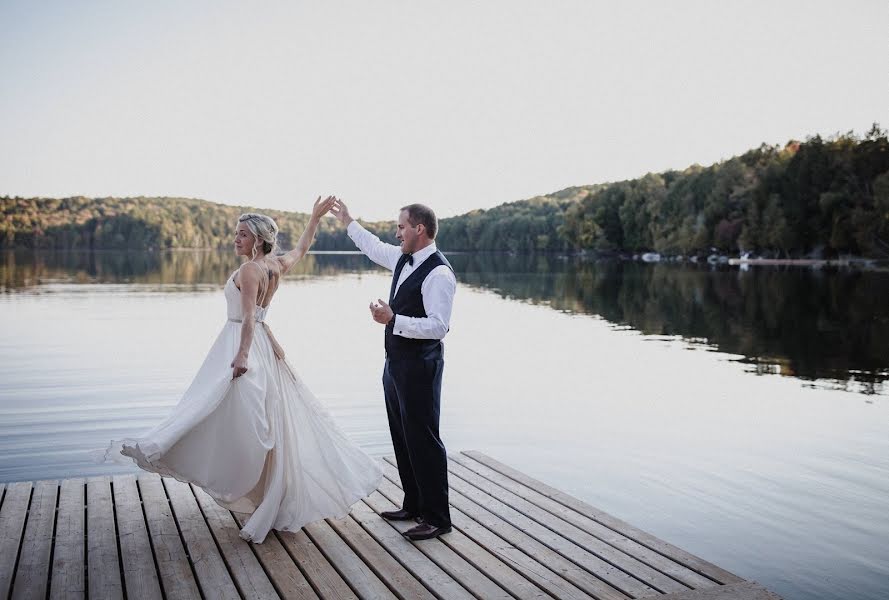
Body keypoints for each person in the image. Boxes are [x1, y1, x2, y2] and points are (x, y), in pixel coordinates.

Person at [100, 196, 382, 544]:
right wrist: (313, 218)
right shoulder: (276, 264)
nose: (236, 239)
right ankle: (263, 490)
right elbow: (302, 249)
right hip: (263, 343)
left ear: (259, 240)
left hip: (243, 343)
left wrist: (242, 356)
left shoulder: (251, 270)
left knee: (216, 411)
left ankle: (193, 459)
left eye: (243, 234)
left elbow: (249, 317)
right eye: (236, 233)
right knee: (248, 416)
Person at [331, 199, 456, 541]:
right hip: (396, 364)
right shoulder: (403, 258)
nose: (396, 232)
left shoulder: (440, 273)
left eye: (401, 227)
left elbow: (438, 326)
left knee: (424, 439)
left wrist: (393, 319)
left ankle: (437, 517)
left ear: (419, 229)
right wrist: (348, 220)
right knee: (402, 436)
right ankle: (413, 504)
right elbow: (373, 247)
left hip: (421, 367)